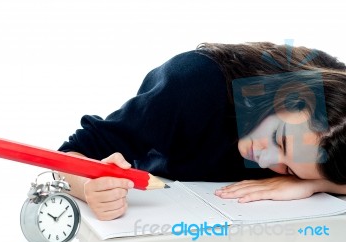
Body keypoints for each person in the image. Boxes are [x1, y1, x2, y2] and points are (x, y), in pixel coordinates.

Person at [58, 42, 346, 221]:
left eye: (290, 170)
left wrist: (314, 184)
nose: (266, 160)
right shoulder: (191, 85)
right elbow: (64, 157)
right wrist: (85, 188)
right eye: (278, 139)